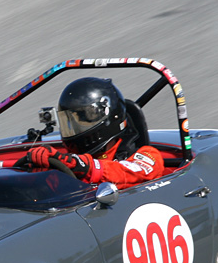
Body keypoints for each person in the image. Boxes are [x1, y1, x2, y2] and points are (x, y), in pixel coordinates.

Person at [27, 77, 164, 189]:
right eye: (69, 121)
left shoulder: (148, 155)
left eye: (82, 121)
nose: (74, 129)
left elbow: (131, 172)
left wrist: (85, 167)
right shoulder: (68, 159)